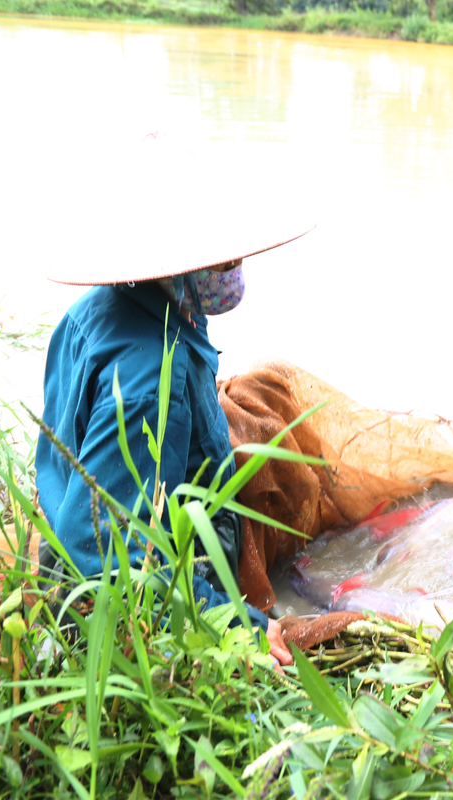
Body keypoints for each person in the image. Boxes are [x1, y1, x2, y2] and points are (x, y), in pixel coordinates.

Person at [35, 224, 311, 667]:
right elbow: (105, 554)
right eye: (220, 261)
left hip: (90, 511)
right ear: (179, 263)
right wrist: (239, 625)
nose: (232, 270)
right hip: (107, 576)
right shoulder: (150, 380)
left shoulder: (102, 308)